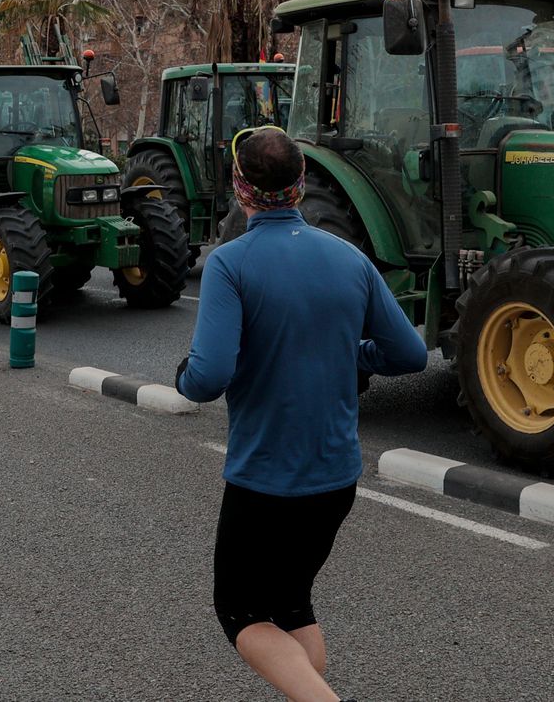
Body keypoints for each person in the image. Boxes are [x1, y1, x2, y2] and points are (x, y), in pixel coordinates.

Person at [176, 125, 427, 702]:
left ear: (240, 188)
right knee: (291, 606)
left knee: (240, 613)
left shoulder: (230, 264)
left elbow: (208, 376)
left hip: (267, 480)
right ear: (302, 182)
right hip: (336, 478)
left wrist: (184, 377)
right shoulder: (350, 259)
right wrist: (353, 353)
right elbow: (409, 354)